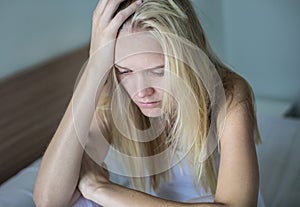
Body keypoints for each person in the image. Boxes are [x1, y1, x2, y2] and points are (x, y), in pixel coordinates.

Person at [34, 0, 264, 206]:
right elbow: (49, 200)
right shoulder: (114, 97)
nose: (142, 91)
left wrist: (101, 189)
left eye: (159, 71)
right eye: (125, 70)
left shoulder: (229, 94)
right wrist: (95, 67)